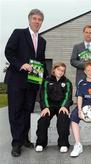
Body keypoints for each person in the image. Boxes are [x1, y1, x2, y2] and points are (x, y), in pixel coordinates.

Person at [4, 9, 46, 157]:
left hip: (32, 83)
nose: (37, 21)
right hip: (16, 80)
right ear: (29, 20)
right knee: (16, 112)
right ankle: (16, 143)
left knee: (27, 111)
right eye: (34, 18)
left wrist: (46, 79)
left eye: (40, 19)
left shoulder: (42, 41)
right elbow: (9, 52)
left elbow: (40, 62)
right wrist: (21, 64)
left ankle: (24, 138)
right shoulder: (18, 33)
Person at [35, 62, 73, 153]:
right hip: (49, 106)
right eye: (59, 70)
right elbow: (43, 95)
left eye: (63, 71)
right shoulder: (47, 80)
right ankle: (41, 143)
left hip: (61, 106)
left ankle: (63, 144)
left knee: (63, 120)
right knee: (43, 120)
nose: (60, 72)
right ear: (54, 70)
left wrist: (64, 106)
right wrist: (45, 107)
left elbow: (68, 96)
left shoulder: (67, 82)